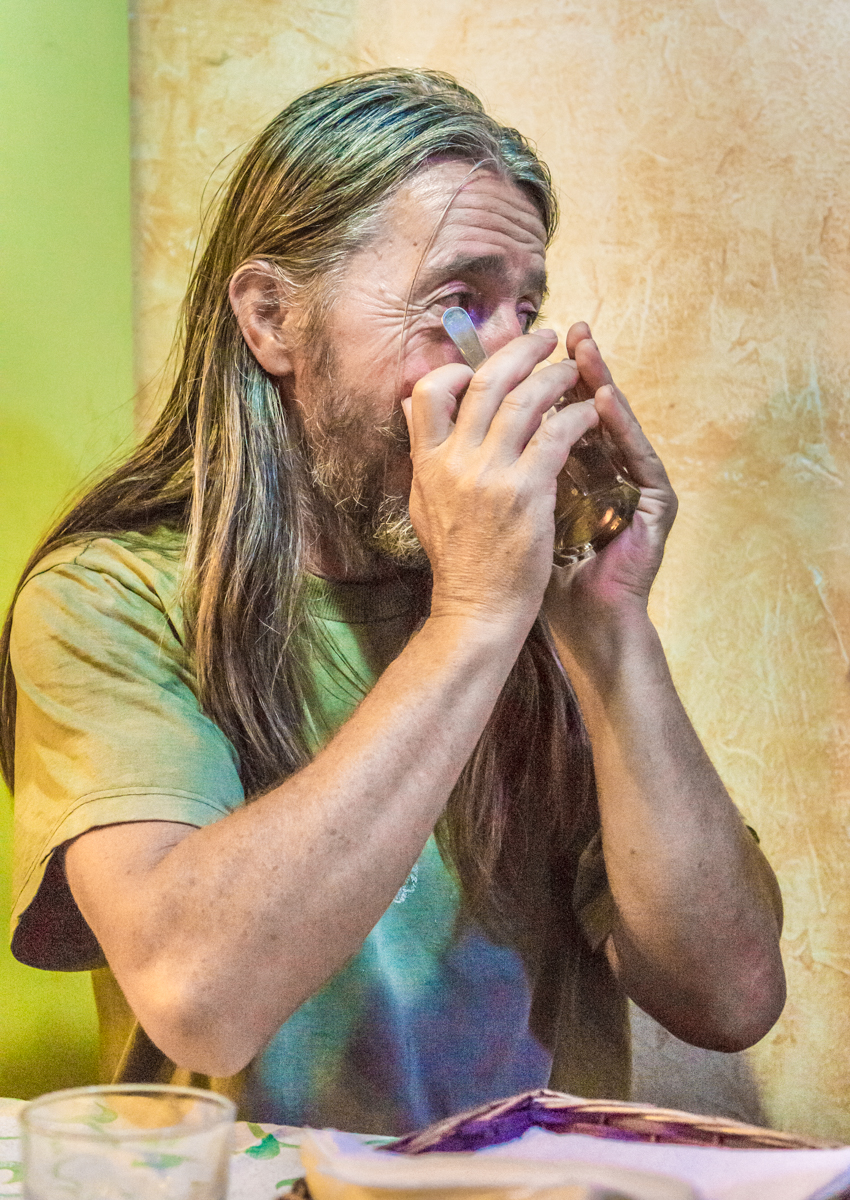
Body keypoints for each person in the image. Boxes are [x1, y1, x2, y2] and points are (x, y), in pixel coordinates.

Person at [0, 69, 784, 1134]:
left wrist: (610, 627)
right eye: (457, 301)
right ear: (274, 318)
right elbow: (200, 999)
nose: (508, 357)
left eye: (525, 309)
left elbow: (728, 996)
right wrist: (473, 618)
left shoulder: (541, 599)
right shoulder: (110, 600)